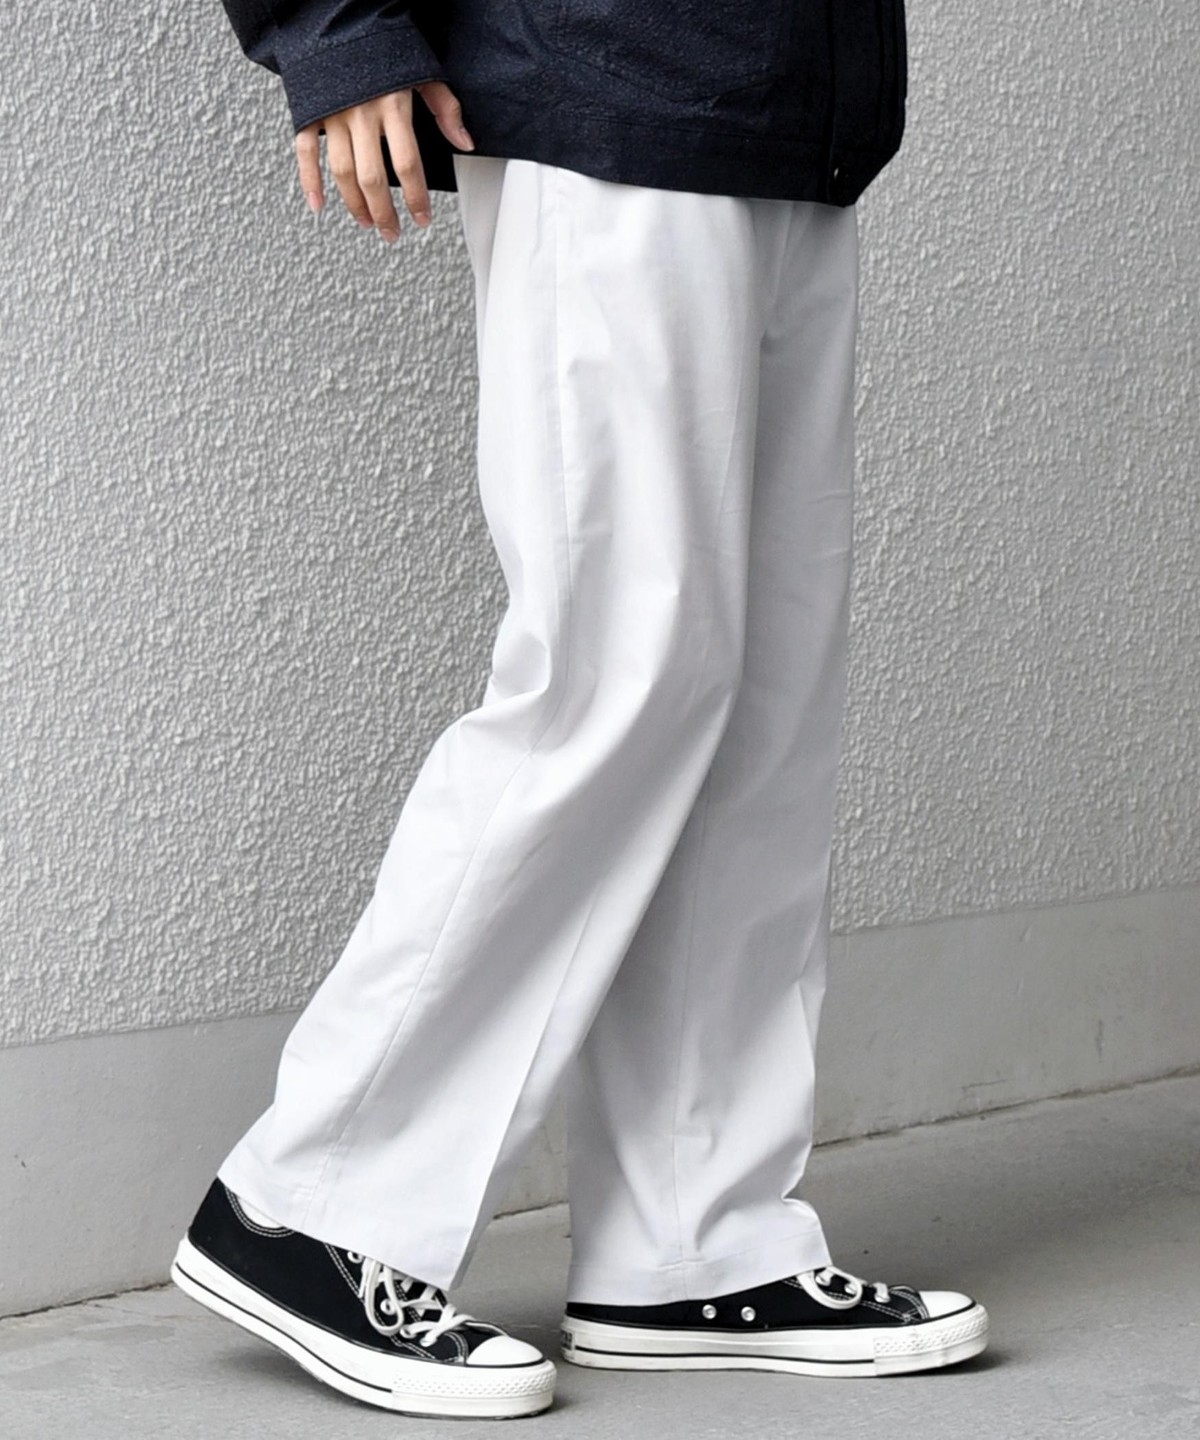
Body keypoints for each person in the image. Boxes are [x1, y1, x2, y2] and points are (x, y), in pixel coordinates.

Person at [171, 0, 988, 1420]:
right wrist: (337, 31)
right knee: (615, 673)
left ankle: (694, 1240)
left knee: (759, 706)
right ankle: (313, 1201)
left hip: (789, 108)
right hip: (602, 81)